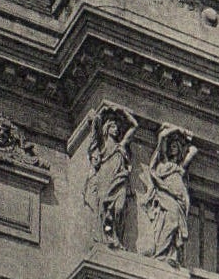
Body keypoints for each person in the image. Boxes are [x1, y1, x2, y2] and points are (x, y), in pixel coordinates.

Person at [80, 102, 137, 247]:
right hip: (105, 177)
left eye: (117, 127)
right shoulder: (102, 146)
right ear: (106, 128)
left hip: (119, 179)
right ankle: (108, 237)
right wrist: (101, 113)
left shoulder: (121, 145)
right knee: (105, 209)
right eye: (113, 126)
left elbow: (134, 126)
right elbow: (94, 131)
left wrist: (123, 112)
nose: (116, 129)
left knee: (119, 207)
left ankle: (115, 235)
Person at [138, 125, 197, 264]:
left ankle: (170, 254)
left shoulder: (180, 167)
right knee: (171, 222)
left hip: (180, 198)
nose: (172, 148)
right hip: (167, 195)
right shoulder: (163, 161)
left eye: (175, 146)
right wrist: (178, 130)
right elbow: (162, 137)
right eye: (171, 146)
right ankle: (161, 254)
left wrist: (187, 137)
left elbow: (194, 150)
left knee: (174, 224)